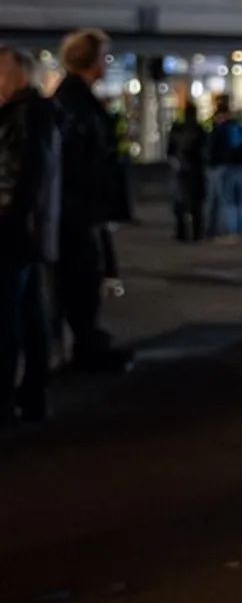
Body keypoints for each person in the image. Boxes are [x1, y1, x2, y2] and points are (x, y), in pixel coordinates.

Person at [50, 28, 130, 373]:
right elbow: (78, 159)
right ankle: (84, 350)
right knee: (80, 280)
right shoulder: (72, 101)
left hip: (83, 207)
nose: (107, 64)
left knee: (87, 278)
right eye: (104, 57)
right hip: (76, 210)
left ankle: (88, 345)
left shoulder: (78, 99)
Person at [0, 44, 58, 424]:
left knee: (7, 319)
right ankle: (31, 392)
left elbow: (14, 179)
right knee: (28, 313)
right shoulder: (34, 112)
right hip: (27, 233)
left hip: (10, 234)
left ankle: (7, 400)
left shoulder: (20, 116)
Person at [206, 95, 242, 243]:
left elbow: (216, 147)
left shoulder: (224, 127)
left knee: (228, 200)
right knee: (240, 200)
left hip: (228, 166)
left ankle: (232, 231)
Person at [167, 102, 208, 243]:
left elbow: (170, 150)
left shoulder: (177, 128)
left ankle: (182, 233)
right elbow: (204, 151)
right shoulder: (199, 129)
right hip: (195, 170)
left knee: (180, 203)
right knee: (196, 204)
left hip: (181, 169)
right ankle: (197, 232)